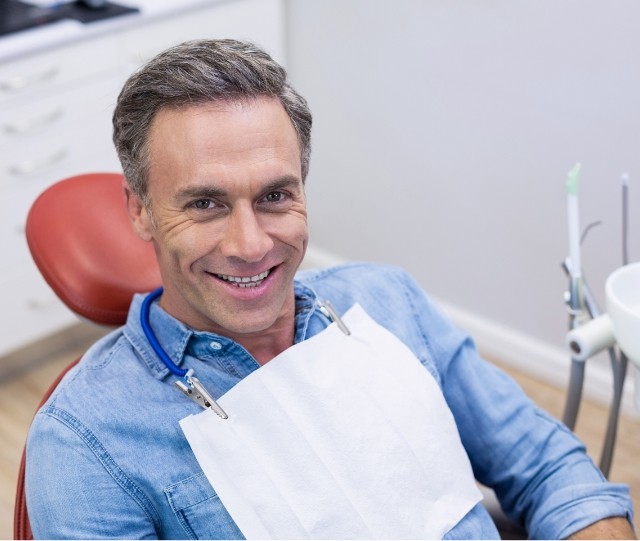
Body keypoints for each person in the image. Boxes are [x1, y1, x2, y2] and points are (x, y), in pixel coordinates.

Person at [25, 39, 635, 540]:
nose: (251, 243)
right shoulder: (87, 441)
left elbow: (551, 468)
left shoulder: (388, 301)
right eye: (205, 203)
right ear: (139, 211)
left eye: (274, 197)